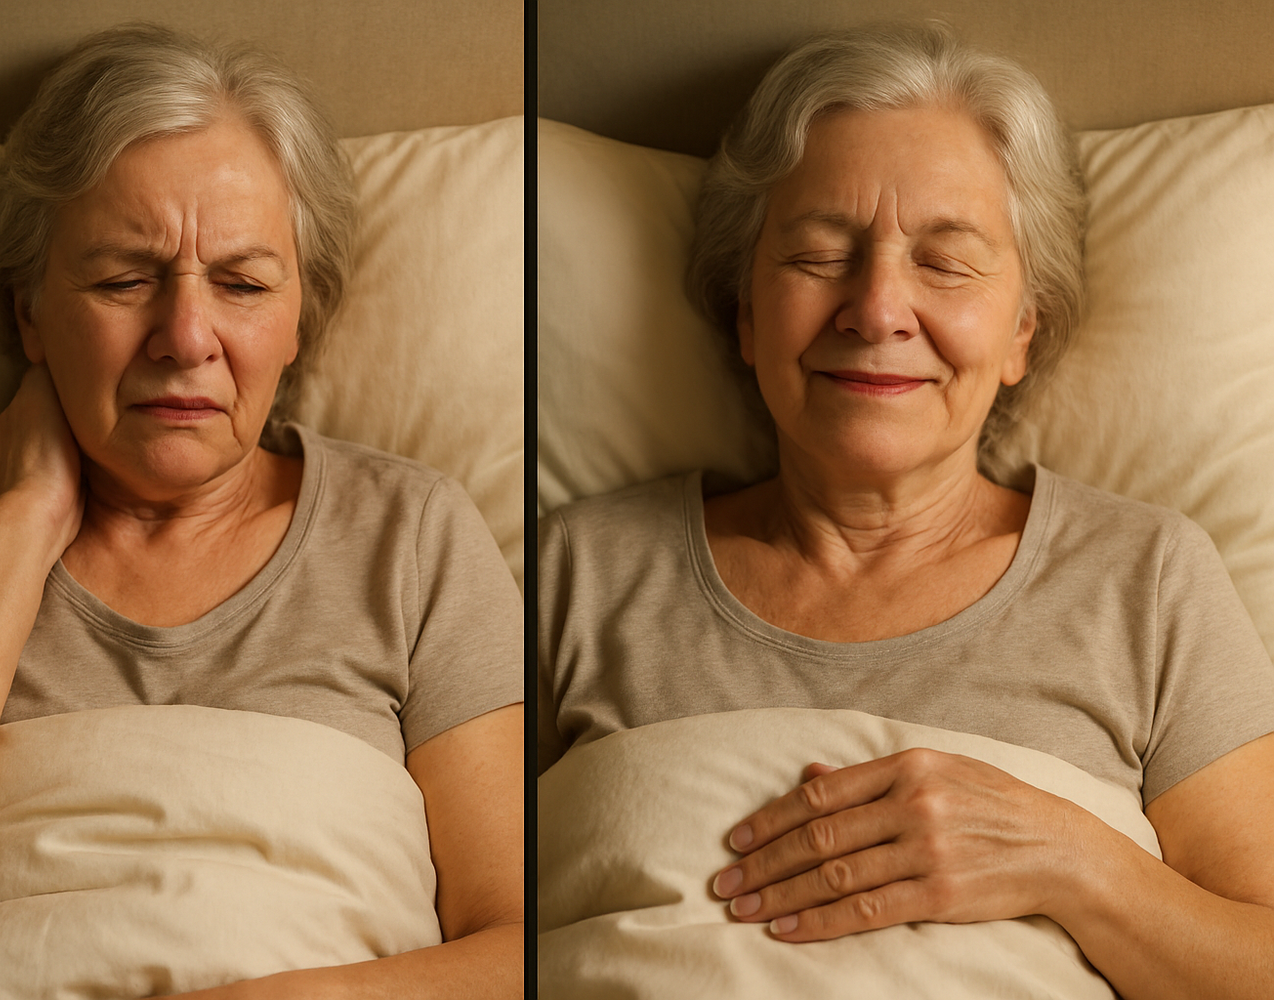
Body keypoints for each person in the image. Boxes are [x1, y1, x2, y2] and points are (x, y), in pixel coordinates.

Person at [0, 24, 523, 998]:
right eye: (124, 280)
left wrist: (307, 995)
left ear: (301, 319)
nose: (185, 336)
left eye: (242, 283)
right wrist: (25, 520)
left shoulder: (411, 535)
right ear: (30, 311)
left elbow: (520, 947)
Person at [536, 24, 1274, 999]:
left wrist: (1071, 860)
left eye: (946, 263)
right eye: (818, 254)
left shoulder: (1148, 578)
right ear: (746, 313)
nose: (878, 308)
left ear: (1022, 329)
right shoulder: (579, 570)